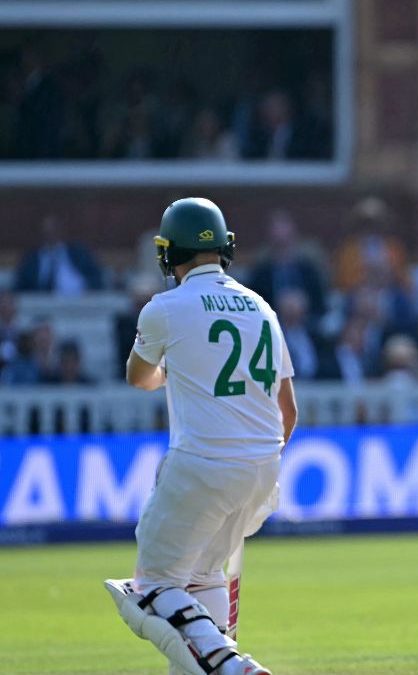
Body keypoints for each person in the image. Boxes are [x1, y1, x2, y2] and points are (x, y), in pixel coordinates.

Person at [105, 198, 294, 675]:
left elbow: (138, 377)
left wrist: (175, 370)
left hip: (201, 464)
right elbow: (287, 412)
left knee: (150, 586)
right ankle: (220, 660)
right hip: (263, 466)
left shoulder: (164, 308)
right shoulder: (262, 308)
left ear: (169, 255)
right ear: (225, 248)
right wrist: (253, 464)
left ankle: (233, 665)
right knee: (204, 576)